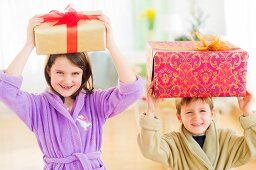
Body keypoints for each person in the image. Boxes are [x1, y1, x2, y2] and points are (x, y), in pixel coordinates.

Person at [0, 14, 144, 170]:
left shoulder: (96, 102)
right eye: (60, 72)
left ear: (84, 73)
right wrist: (29, 44)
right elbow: (5, 90)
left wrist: (111, 45)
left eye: (75, 73)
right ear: (49, 70)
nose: (67, 81)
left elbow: (131, 91)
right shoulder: (37, 106)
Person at [137, 81, 256, 170]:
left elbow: (253, 148)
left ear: (212, 114)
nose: (196, 117)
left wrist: (247, 112)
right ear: (179, 117)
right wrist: (151, 110)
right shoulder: (173, 142)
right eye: (189, 112)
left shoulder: (226, 139)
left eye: (203, 111)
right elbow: (150, 150)